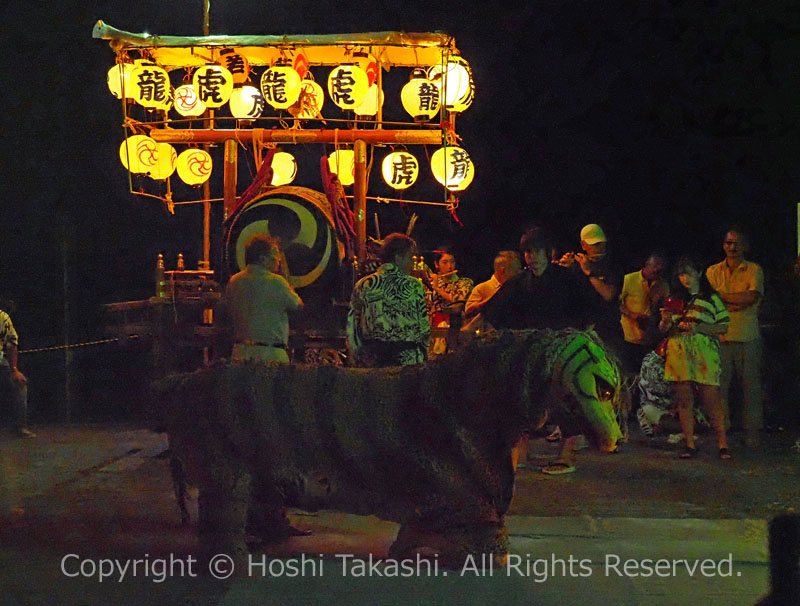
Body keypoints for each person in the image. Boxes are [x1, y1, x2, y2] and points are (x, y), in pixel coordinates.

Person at [483, 227, 588, 474]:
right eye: (528, 253)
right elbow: (494, 311)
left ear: (548, 253)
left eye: (537, 252)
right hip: (530, 352)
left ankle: (566, 457)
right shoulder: (519, 281)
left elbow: (591, 309)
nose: (533, 258)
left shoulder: (568, 278)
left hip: (562, 350)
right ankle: (520, 456)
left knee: (567, 405)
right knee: (523, 404)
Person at [659, 256, 731, 460]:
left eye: (688, 273)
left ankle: (722, 443)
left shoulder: (711, 298)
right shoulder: (674, 299)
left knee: (711, 398)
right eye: (681, 274)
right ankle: (689, 443)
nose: (685, 279)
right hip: (679, 349)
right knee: (684, 399)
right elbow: (664, 329)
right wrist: (665, 321)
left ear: (698, 273)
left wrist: (701, 328)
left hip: (703, 350)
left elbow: (724, 325)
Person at [705, 228, 764, 448]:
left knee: (751, 388)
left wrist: (723, 298)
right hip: (720, 337)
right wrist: (732, 301)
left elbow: (750, 298)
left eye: (737, 243)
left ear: (745, 246)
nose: (732, 247)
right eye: (729, 243)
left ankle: (753, 433)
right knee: (719, 388)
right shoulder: (712, 271)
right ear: (723, 245)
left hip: (747, 336)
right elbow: (711, 303)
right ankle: (722, 432)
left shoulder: (754, 270)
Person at [216, 233, 303, 362]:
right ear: (262, 258)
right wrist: (289, 286)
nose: (278, 260)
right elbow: (298, 306)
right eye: (274, 255)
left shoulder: (234, 281)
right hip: (270, 354)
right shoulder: (277, 282)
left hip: (241, 353)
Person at [347, 233, 430, 367]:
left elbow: (353, 328)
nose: (411, 264)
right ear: (398, 258)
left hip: (373, 360)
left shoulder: (364, 284)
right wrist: (422, 358)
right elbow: (424, 329)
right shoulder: (414, 285)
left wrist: (359, 359)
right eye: (409, 258)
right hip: (407, 363)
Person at [619, 253, 669, 374]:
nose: (657, 271)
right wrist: (632, 315)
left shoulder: (662, 285)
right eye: (655, 267)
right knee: (630, 373)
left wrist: (658, 302)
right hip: (629, 337)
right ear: (646, 265)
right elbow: (617, 303)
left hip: (650, 338)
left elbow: (667, 308)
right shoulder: (629, 279)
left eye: (660, 269)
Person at [420, 249, 474, 356]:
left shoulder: (464, 282)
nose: (449, 266)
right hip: (431, 328)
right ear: (437, 264)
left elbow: (457, 301)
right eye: (445, 262)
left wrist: (437, 288)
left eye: (452, 262)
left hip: (455, 328)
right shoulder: (429, 282)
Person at [461, 250, 521, 333]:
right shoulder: (482, 288)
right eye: (516, 270)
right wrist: (498, 294)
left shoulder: (517, 288)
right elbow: (469, 312)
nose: (519, 273)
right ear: (502, 271)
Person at [0, 303, 34, 438]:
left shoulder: (3, 317)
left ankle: (20, 427)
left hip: (0, 363)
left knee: (19, 383)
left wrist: (14, 369)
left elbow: (12, 344)